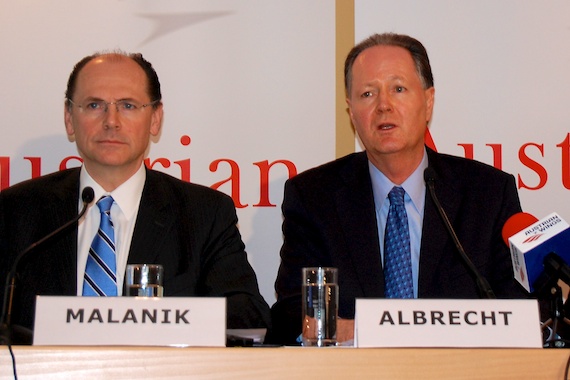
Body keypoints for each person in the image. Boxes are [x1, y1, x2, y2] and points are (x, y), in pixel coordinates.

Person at [269, 33, 528, 345]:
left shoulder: (487, 194)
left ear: (428, 101)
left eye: (398, 89)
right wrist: (355, 333)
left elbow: (519, 309)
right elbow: (292, 313)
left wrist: (367, 329)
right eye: (367, 94)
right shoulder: (314, 197)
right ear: (351, 113)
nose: (384, 106)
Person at [0, 51, 271, 343]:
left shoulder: (203, 214)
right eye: (94, 105)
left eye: (128, 106)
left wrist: (157, 324)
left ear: (155, 120)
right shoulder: (14, 212)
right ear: (69, 118)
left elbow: (248, 316)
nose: (111, 121)